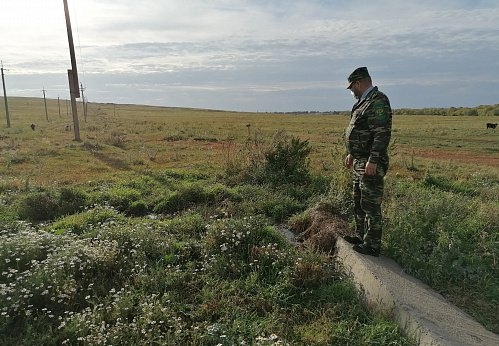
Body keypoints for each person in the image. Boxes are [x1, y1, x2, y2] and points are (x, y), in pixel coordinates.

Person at [343, 67, 392, 257]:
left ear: (358, 83)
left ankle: (372, 245)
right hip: (360, 161)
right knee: (359, 201)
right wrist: (352, 153)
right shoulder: (363, 102)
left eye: (352, 88)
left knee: (370, 204)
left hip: (371, 163)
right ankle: (361, 236)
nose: (352, 92)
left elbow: (382, 134)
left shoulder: (378, 101)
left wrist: (373, 160)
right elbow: (360, 132)